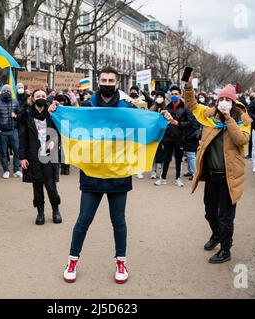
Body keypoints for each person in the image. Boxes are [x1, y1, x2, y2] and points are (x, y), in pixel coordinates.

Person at [50, 67, 137, 284]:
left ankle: (121, 262)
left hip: (118, 174)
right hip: (92, 175)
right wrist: (55, 112)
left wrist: (162, 118)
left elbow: (145, 124)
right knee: (83, 221)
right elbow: (69, 125)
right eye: (104, 79)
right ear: (98, 81)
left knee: (119, 222)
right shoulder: (86, 107)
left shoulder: (127, 107)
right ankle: (72, 260)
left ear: (117, 83)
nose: (107, 82)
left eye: (111, 80)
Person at [185, 76, 252, 263]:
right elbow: (191, 105)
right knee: (209, 211)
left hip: (230, 177)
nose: (223, 103)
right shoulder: (209, 116)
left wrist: (230, 118)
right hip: (212, 176)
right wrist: (189, 87)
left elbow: (241, 140)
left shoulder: (244, 120)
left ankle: (225, 249)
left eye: (227, 100)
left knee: (226, 217)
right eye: (221, 99)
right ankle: (216, 235)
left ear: (234, 102)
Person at [19, 89, 62, 225]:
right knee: (37, 186)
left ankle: (56, 210)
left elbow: (59, 131)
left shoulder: (52, 113)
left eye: (43, 96)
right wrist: (22, 157)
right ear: (32, 98)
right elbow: (23, 137)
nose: (41, 98)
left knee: (50, 185)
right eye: (38, 96)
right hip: (33, 155)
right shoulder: (26, 115)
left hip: (49, 155)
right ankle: (40, 213)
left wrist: (54, 141)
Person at [156, 85, 195, 187]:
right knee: (166, 158)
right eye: (172, 94)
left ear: (180, 95)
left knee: (179, 159)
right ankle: (163, 178)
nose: (174, 96)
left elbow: (191, 123)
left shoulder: (185, 108)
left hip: (180, 138)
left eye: (176, 94)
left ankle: (178, 178)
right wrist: (161, 116)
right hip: (168, 138)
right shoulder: (167, 108)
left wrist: (178, 123)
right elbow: (162, 123)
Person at [0, 85, 22, 179]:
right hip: (2, 131)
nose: (6, 92)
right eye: (4, 90)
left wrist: (16, 116)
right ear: (2, 92)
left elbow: (20, 116)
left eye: (8, 91)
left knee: (17, 150)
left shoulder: (15, 102)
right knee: (3, 152)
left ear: (11, 92)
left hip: (13, 130)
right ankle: (6, 170)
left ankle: (16, 170)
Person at [149, 91, 167, 179]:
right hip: (155, 134)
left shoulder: (167, 108)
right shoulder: (152, 108)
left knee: (163, 153)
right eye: (158, 96)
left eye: (161, 96)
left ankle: (163, 171)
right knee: (154, 153)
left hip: (164, 134)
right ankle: (154, 171)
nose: (159, 98)